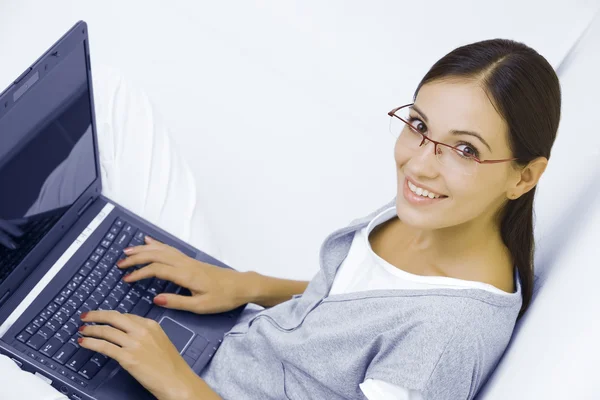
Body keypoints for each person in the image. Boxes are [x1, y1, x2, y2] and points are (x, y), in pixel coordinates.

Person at [74, 38, 560, 400]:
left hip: (196, 387)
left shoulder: (445, 336)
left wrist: (175, 383)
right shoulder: (440, 212)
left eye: (464, 148)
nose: (420, 164)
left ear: (523, 177)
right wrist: (245, 285)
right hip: (230, 341)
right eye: (418, 125)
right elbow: (353, 300)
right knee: (112, 94)